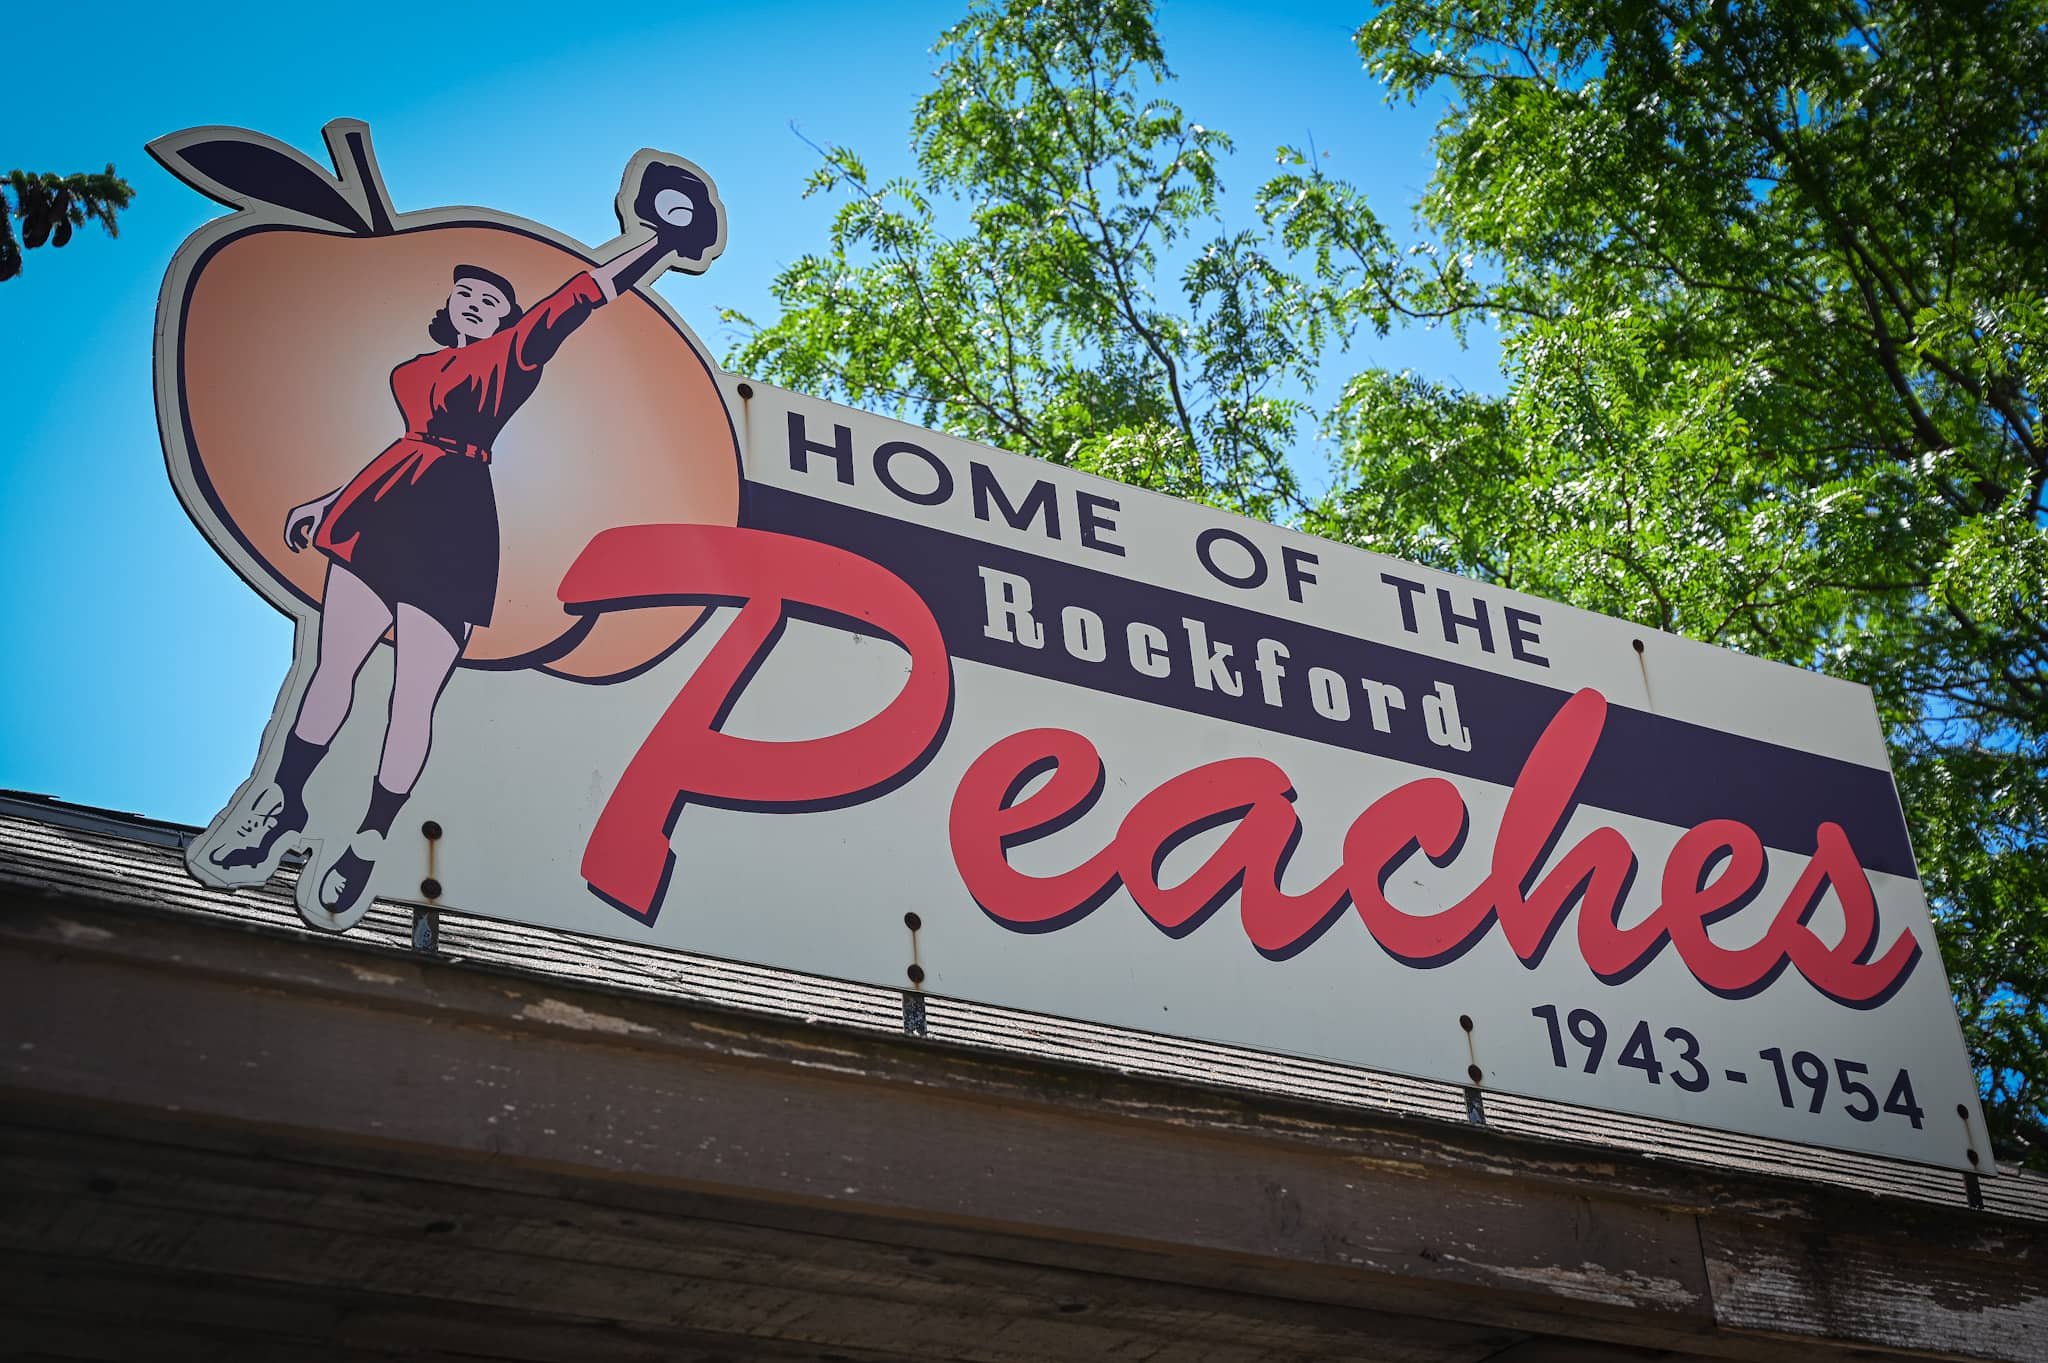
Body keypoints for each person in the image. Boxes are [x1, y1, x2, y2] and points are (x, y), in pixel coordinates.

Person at [201, 163, 721, 923]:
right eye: (466, 294)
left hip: (455, 524)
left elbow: (584, 296)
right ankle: (282, 803)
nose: (477, 303)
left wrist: (661, 245)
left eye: (493, 299)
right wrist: (330, 500)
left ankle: (369, 841)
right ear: (449, 303)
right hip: (381, 506)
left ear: (509, 318)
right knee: (331, 667)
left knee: (412, 697)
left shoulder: (513, 358)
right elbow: (400, 448)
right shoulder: (414, 371)